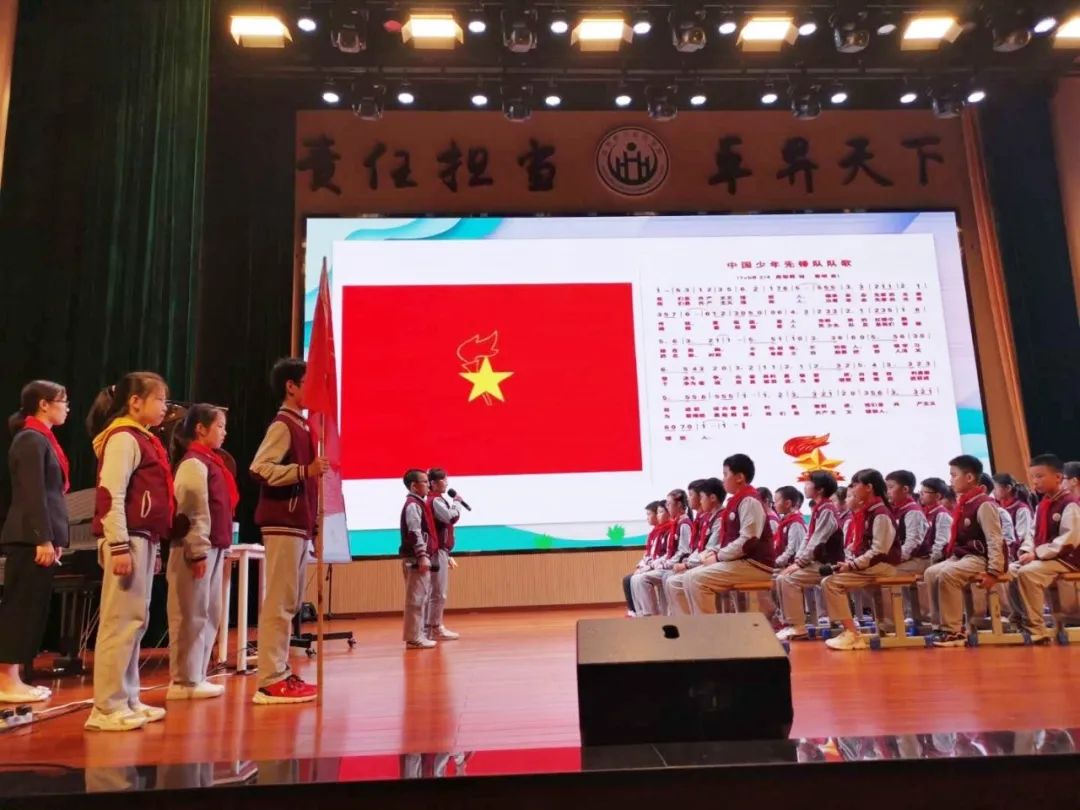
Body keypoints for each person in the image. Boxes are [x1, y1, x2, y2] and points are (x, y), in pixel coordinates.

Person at [84, 372, 173, 731]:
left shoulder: (142, 438)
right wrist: (119, 545)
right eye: (160, 399)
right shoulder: (123, 438)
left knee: (135, 623)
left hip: (142, 538)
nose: (165, 407)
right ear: (135, 401)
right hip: (127, 539)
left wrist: (154, 547)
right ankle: (106, 708)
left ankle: (128, 697)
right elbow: (111, 495)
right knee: (119, 624)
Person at [250, 358, 326, 704]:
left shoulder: (302, 426)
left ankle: (279, 671)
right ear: (291, 386)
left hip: (297, 524)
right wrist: (303, 471)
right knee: (280, 603)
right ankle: (269, 679)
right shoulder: (283, 425)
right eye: (308, 382)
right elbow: (260, 468)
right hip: (282, 521)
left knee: (290, 602)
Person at [0, 381, 70, 704]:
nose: (66, 408)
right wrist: (42, 537)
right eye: (62, 401)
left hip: (39, 539)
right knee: (21, 608)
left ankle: (14, 678)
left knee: (32, 610)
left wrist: (53, 538)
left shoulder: (42, 439)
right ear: (44, 404)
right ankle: (6, 680)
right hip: (28, 539)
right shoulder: (30, 439)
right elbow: (33, 494)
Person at [166, 404, 235, 701]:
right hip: (194, 550)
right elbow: (192, 512)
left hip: (214, 547)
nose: (224, 432)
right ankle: (183, 680)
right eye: (219, 426)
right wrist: (197, 552)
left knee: (209, 613)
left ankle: (197, 675)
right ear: (200, 429)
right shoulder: (193, 464)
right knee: (190, 614)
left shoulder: (212, 461)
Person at [922, 455, 1005, 648]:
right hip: (963, 555)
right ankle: (939, 627)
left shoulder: (984, 503)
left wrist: (994, 571)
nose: (950, 480)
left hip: (981, 557)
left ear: (969, 477)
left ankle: (954, 631)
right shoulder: (965, 502)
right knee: (931, 572)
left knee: (948, 574)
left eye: (954, 475)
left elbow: (995, 539)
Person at [686, 455, 775, 615]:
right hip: (741, 561)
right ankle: (698, 624)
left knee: (696, 579)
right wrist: (715, 553)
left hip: (756, 565)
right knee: (688, 576)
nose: (723, 479)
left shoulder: (750, 501)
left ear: (739, 477)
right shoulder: (737, 501)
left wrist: (718, 557)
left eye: (725, 474)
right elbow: (730, 540)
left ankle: (710, 628)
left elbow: (748, 540)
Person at [822, 469, 899, 651]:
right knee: (831, 579)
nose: (853, 489)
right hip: (873, 564)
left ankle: (852, 633)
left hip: (883, 565)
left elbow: (879, 550)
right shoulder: (869, 511)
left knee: (831, 583)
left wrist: (852, 565)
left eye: (856, 485)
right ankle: (854, 630)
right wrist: (850, 563)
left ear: (869, 487)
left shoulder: (880, 513)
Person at [1010, 454, 1080, 644]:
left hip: (1068, 558)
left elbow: (1069, 539)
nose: (1035, 481)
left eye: (1040, 476)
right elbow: (1032, 533)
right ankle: (1020, 619)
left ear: (1058, 477)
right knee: (1011, 570)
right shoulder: (1043, 504)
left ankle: (1036, 628)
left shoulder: (1070, 503)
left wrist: (1037, 554)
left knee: (1029, 573)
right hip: (1048, 558)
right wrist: (1027, 550)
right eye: (1033, 477)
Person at [776, 471, 844, 642]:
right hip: (817, 562)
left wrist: (799, 563)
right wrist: (798, 561)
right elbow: (808, 539)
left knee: (788, 579)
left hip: (830, 564)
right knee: (782, 577)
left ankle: (798, 626)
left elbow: (817, 541)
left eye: (808, 483)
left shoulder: (827, 510)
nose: (805, 487)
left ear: (819, 489)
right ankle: (790, 623)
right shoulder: (819, 509)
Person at [665, 479, 724, 615]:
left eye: (692, 495)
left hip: (713, 562)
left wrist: (687, 564)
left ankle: (695, 621)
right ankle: (685, 620)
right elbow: (699, 548)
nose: (689, 499)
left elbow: (710, 550)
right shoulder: (705, 518)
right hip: (702, 560)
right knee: (672, 579)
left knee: (678, 579)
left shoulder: (719, 518)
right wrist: (688, 562)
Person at [633, 489, 693, 616]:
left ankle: (654, 615)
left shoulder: (684, 524)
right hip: (670, 564)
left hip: (678, 566)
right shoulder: (676, 523)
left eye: (669, 504)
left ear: (679, 505)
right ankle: (644, 614)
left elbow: (684, 552)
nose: (667, 507)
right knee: (636, 578)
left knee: (643, 579)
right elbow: (669, 552)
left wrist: (664, 564)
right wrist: (656, 563)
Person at [400, 468, 439, 648]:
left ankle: (417, 635)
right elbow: (415, 532)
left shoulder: (418, 503)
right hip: (415, 558)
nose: (428, 485)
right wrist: (422, 555)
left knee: (420, 598)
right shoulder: (413, 505)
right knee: (415, 600)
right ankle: (413, 638)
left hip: (418, 557)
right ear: (414, 486)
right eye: (425, 482)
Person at [425, 468, 461, 641]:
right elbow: (450, 517)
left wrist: (447, 554)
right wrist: (457, 503)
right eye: (444, 480)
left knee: (436, 591)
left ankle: (430, 627)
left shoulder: (436, 499)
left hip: (440, 550)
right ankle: (435, 628)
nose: (447, 483)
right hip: (437, 550)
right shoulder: (435, 500)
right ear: (433, 483)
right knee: (438, 592)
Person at [623, 501, 665, 617]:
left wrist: (646, 567)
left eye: (649, 514)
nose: (647, 518)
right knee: (629, 579)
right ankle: (636, 611)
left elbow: (660, 555)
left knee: (636, 578)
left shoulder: (664, 531)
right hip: (652, 564)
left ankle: (650, 613)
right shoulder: (653, 533)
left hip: (659, 566)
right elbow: (648, 554)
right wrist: (641, 565)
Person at [888, 470, 930, 576]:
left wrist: (892, 559)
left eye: (890, 487)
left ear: (905, 489)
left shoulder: (913, 511)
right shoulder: (896, 509)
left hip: (918, 560)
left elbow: (912, 543)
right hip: (903, 557)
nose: (887, 491)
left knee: (881, 573)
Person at [994, 473, 1035, 562]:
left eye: (995, 488)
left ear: (1008, 488)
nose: (993, 492)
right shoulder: (998, 507)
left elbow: (1023, 536)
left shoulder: (1021, 509)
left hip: (1018, 554)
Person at [919, 478, 954, 564]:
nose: (921, 495)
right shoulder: (925, 512)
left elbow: (941, 543)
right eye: (920, 492)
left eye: (923, 493)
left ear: (937, 496)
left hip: (933, 559)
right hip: (922, 556)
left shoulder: (942, 515)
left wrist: (931, 561)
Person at [773, 486, 807, 570]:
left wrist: (775, 562)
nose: (774, 505)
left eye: (776, 501)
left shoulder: (795, 523)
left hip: (791, 567)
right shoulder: (785, 521)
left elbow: (792, 551)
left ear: (788, 503)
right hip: (783, 564)